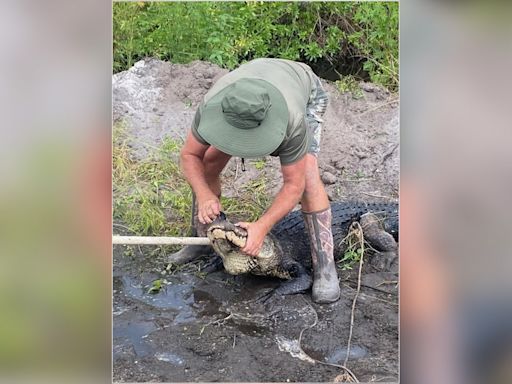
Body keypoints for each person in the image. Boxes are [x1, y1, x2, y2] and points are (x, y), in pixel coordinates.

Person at [169, 58, 340, 303]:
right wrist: (205, 194)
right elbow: (189, 155)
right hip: (252, 89)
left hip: (302, 89)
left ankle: (325, 267)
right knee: (207, 163)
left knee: (309, 177)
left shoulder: (293, 121)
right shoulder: (211, 105)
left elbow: (294, 185)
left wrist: (263, 226)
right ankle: (200, 240)